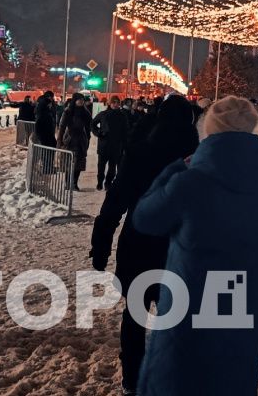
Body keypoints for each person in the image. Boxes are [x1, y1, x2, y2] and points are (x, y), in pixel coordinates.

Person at [129, 96, 258, 395]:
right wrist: (247, 266)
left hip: (189, 290)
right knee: (230, 370)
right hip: (238, 293)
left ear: (208, 130)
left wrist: (174, 170)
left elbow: (145, 219)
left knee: (178, 371)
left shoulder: (189, 182)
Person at [90, 94, 200, 395]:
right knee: (177, 318)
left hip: (138, 243)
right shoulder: (196, 156)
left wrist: (100, 247)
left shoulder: (140, 151)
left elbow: (115, 202)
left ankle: (132, 378)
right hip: (178, 249)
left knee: (135, 315)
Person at [91, 97, 130, 190]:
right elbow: (93, 124)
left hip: (116, 145)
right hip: (104, 144)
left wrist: (125, 144)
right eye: (114, 102)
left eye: (117, 103)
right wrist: (99, 133)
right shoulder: (103, 114)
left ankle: (108, 182)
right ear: (110, 103)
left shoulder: (122, 115)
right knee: (101, 166)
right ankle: (100, 181)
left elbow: (125, 130)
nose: (116, 104)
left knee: (112, 167)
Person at [58, 93, 93, 190]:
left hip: (81, 140)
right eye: (79, 99)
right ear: (75, 100)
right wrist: (60, 140)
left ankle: (74, 183)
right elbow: (62, 126)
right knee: (68, 162)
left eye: (82, 100)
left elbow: (89, 126)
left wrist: (88, 138)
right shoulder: (68, 111)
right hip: (70, 139)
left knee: (79, 163)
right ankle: (67, 183)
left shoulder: (86, 112)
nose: (81, 101)